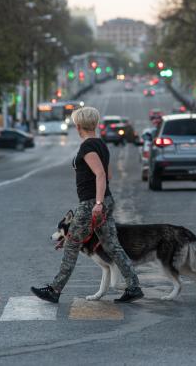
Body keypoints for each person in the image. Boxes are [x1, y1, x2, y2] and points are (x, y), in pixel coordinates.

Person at [31, 106, 143, 303]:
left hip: (92, 203)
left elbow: (100, 175)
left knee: (72, 243)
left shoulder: (87, 147)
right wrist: (102, 201)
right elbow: (108, 175)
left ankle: (54, 290)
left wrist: (97, 204)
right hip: (104, 200)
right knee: (112, 246)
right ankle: (133, 287)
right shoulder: (101, 145)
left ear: (78, 125)